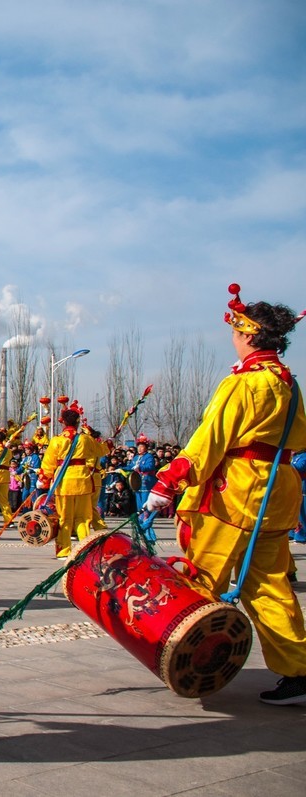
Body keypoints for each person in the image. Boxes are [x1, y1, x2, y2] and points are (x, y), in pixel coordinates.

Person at [144, 285, 306, 705]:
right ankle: (299, 669)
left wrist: (169, 481)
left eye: (236, 330)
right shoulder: (288, 383)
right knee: (269, 585)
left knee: (199, 576)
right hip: (277, 485)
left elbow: (211, 438)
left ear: (248, 335)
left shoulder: (245, 383)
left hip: (237, 491)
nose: (232, 336)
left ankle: (190, 655)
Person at [37, 402, 104, 559]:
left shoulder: (57, 440)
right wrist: (108, 444)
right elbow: (101, 450)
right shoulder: (85, 439)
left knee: (65, 519)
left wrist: (43, 479)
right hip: (82, 481)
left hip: (64, 482)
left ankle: (64, 551)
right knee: (83, 518)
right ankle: (86, 549)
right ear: (77, 422)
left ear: (63, 422)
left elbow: (48, 463)